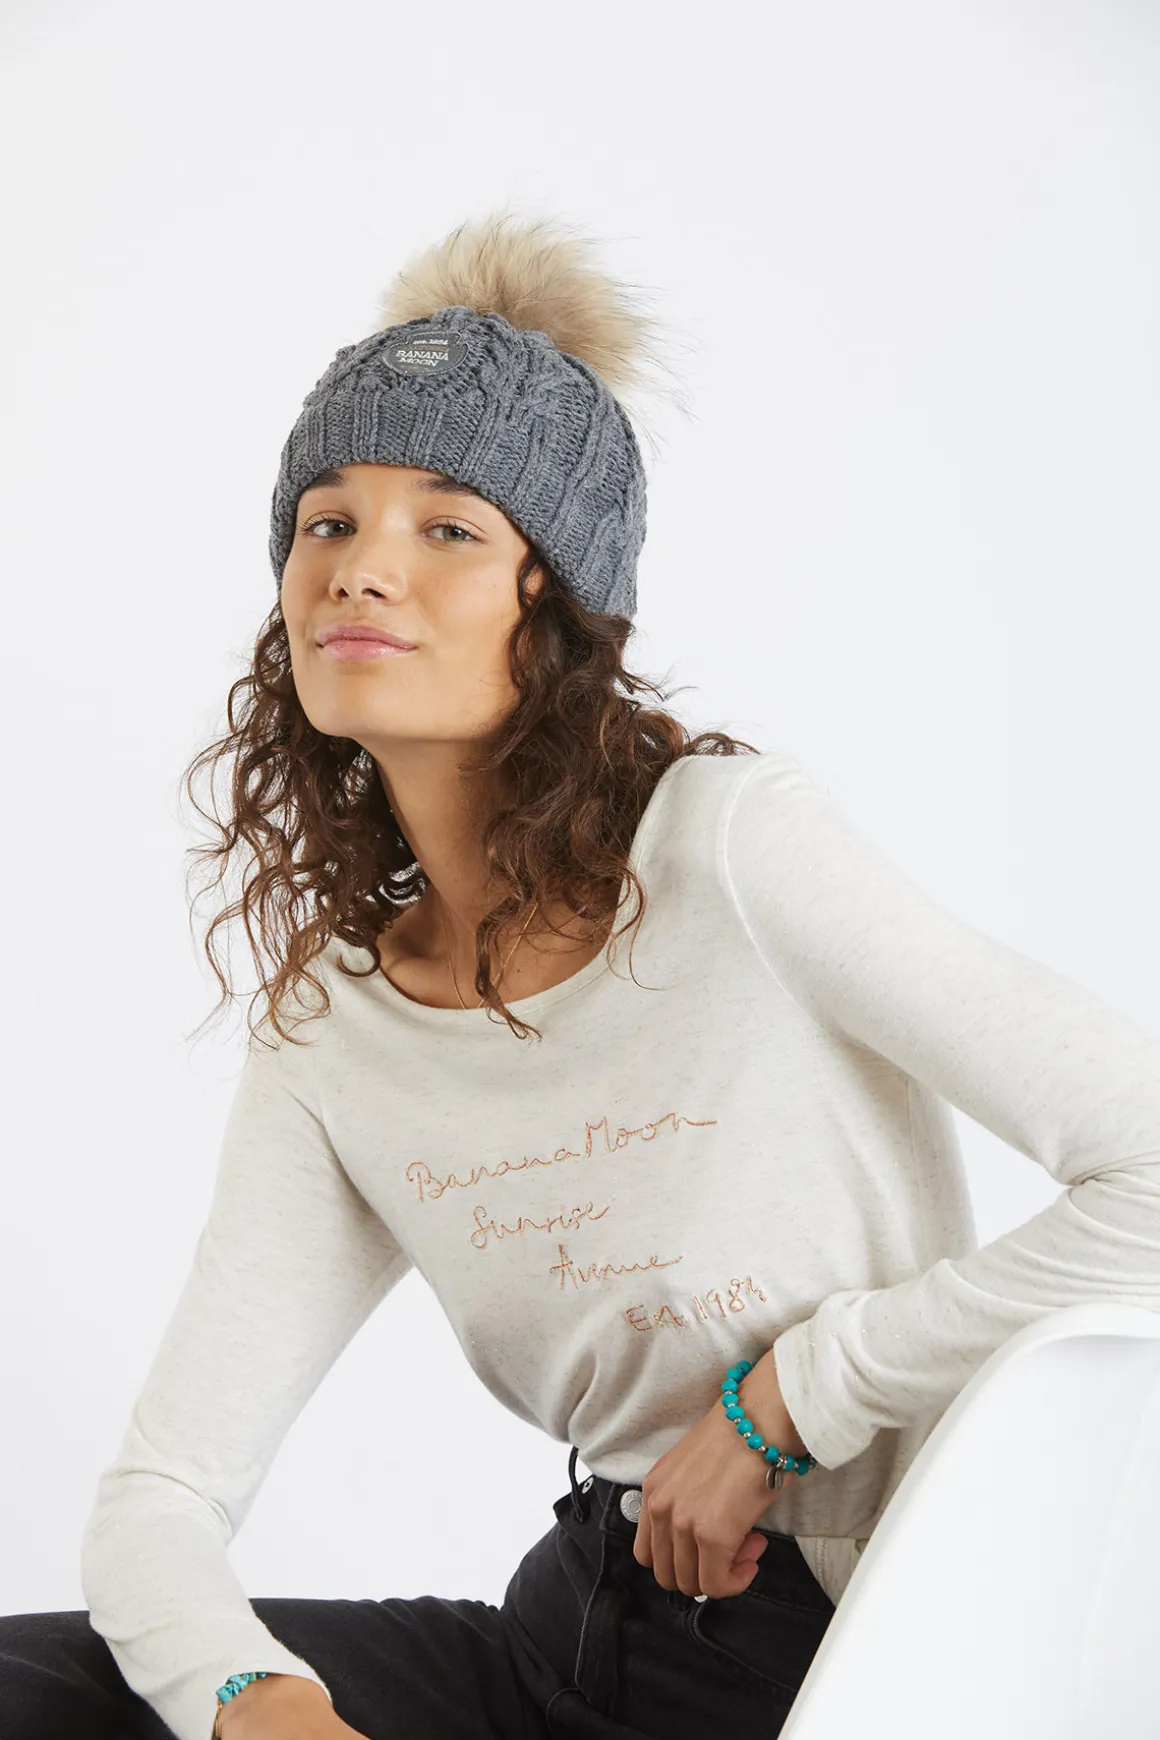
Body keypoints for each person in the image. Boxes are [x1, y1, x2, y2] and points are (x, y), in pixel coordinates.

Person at [3, 209, 1159, 1740]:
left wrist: (790, 1400)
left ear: (553, 600)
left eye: (449, 530)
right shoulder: (337, 1027)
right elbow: (162, 1495)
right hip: (582, 1636)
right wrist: (254, 1703)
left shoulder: (729, 849)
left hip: (845, 1660)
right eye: (328, 523)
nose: (363, 571)